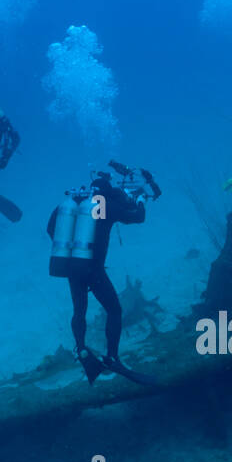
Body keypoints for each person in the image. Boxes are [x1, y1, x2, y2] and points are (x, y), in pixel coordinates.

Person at [46, 163, 158, 383]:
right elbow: (137, 217)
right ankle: (112, 356)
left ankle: (82, 350)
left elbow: (51, 228)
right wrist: (141, 200)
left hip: (71, 266)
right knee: (114, 310)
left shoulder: (73, 202)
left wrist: (72, 249)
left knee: (79, 311)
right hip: (93, 269)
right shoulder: (107, 204)